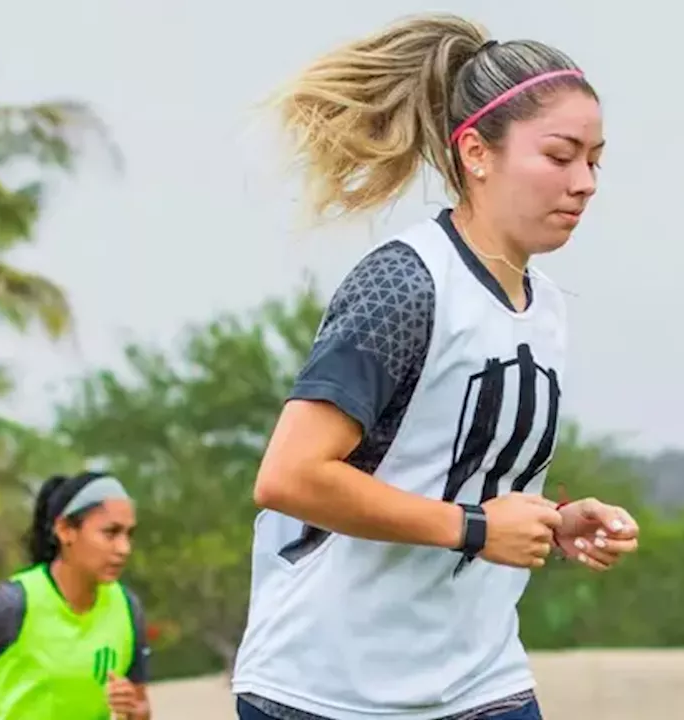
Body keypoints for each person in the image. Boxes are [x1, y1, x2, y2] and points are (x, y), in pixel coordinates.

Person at [231, 12, 639, 720]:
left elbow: (458, 471)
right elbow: (289, 477)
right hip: (328, 691)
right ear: (477, 153)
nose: (585, 182)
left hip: (478, 682)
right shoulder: (405, 284)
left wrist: (555, 519)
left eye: (595, 159)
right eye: (561, 155)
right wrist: (477, 528)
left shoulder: (544, 302)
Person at [0, 472, 152, 719]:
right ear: (65, 530)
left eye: (128, 535)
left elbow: (142, 708)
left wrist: (132, 707)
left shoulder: (127, 608)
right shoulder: (11, 603)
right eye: (110, 533)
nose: (124, 549)